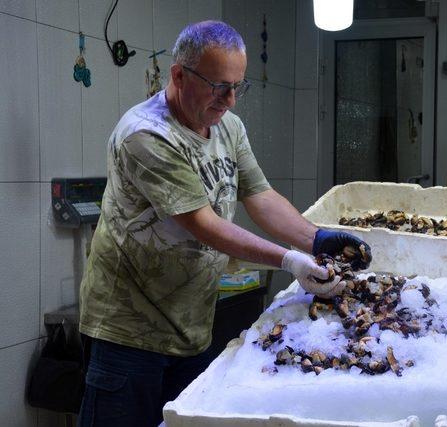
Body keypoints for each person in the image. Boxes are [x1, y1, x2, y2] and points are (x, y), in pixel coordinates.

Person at [78, 20, 371, 426]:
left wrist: (316, 239)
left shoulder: (227, 126)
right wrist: (290, 261)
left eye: (238, 86)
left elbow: (261, 197)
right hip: (128, 331)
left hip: (192, 323)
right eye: (219, 86)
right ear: (179, 75)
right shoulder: (146, 135)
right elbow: (203, 224)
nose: (230, 100)